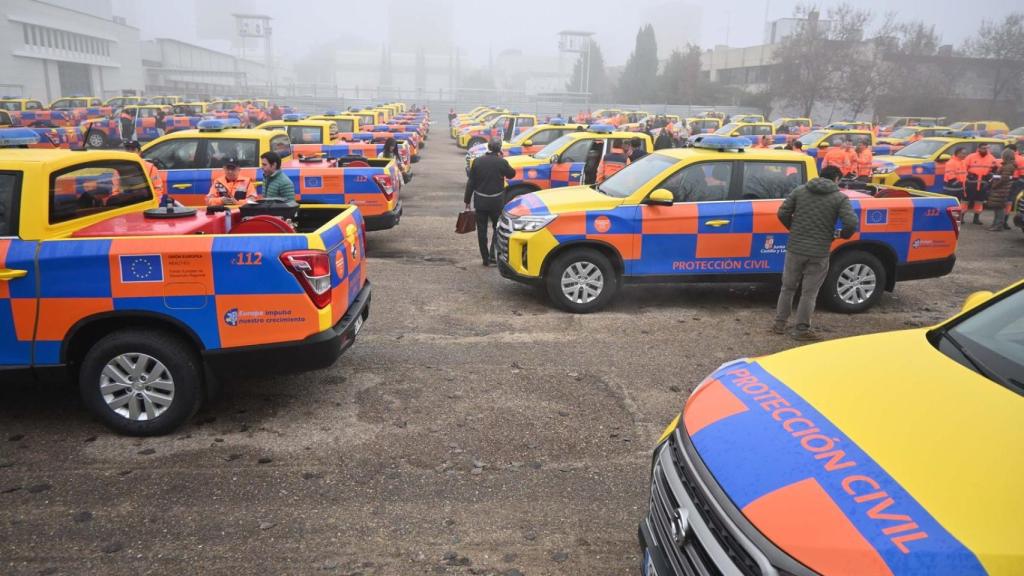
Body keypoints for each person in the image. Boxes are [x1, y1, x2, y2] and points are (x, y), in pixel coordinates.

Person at [773, 165, 858, 341]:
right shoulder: (839, 198)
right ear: (836, 178)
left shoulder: (800, 191)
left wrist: (792, 228)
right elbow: (851, 223)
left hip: (795, 248)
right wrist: (842, 235)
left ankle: (779, 324)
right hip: (819, 251)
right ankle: (801, 330)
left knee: (787, 287)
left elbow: (782, 212)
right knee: (809, 293)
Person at [464, 138, 515, 266]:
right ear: (499, 149)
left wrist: (467, 200)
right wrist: (502, 159)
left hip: (480, 201)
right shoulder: (501, 162)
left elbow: (471, 183)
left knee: (482, 230)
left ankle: (485, 258)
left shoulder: (477, 162)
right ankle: (493, 255)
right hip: (496, 202)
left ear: (488, 147)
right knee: (497, 229)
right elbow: (511, 174)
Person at [964, 143, 998, 225]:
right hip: (971, 183)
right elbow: (964, 167)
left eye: (986, 148)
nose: (985, 150)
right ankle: (961, 217)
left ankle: (976, 218)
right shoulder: (971, 157)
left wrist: (990, 175)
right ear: (978, 148)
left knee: (979, 201)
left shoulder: (991, 158)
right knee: (965, 201)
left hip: (983, 184)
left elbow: (996, 168)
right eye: (983, 148)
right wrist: (968, 176)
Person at [986, 149, 1017, 231]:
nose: (1001, 156)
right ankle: (996, 224)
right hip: (1002, 189)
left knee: (999, 208)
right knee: (998, 207)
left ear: (1006, 156)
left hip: (1001, 190)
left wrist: (995, 185)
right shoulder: (1008, 165)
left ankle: (998, 225)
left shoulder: (1008, 166)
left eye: (1003, 155)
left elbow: (1004, 178)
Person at [943, 147, 969, 221]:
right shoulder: (951, 163)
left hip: (959, 188)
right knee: (950, 205)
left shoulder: (962, 162)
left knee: (956, 205)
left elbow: (964, 174)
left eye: (965, 153)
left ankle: (955, 219)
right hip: (951, 189)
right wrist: (960, 183)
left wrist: (965, 182)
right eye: (963, 153)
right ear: (957, 154)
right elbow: (950, 176)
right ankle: (949, 219)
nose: (965, 155)